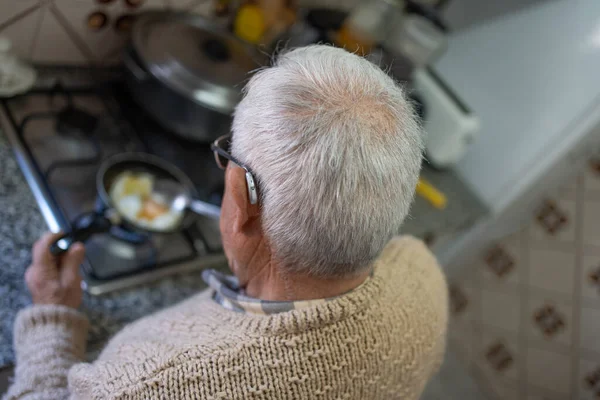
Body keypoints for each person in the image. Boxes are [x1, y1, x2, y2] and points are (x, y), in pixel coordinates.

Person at [5, 45, 448, 400]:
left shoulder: (142, 387)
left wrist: (53, 317)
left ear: (241, 199)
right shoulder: (422, 270)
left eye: (225, 156)